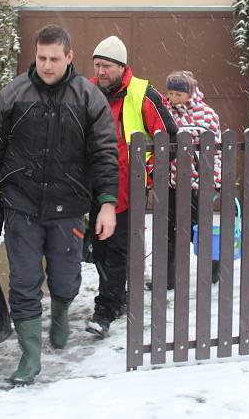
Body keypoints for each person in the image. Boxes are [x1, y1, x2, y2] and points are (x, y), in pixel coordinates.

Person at [0, 25, 118, 386]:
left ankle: (61, 311)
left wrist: (107, 203)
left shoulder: (88, 98)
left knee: (65, 277)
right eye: (41, 58)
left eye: (54, 59)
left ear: (69, 57)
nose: (47, 66)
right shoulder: (14, 94)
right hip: (22, 205)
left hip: (69, 206)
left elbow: (105, 155)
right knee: (24, 281)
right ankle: (30, 356)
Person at [86, 35, 178, 338]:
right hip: (93, 187)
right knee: (98, 248)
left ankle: (106, 309)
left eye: (107, 66)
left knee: (117, 249)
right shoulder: (86, 91)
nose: (100, 72)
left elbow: (170, 138)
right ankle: (117, 297)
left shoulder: (143, 93)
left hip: (129, 189)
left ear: (121, 66)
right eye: (97, 65)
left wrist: (148, 171)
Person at [160, 71, 223, 289]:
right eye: (170, 93)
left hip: (198, 184)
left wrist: (215, 180)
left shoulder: (206, 115)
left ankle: (214, 271)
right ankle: (168, 278)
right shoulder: (165, 112)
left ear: (190, 93)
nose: (173, 98)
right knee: (169, 232)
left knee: (200, 230)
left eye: (178, 94)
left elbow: (216, 152)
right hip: (172, 182)